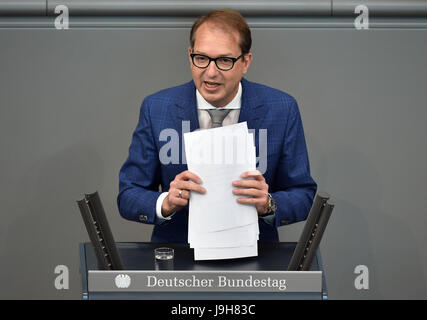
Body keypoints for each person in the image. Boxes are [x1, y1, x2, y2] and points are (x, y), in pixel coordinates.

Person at [118, 9, 317, 242]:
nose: (210, 73)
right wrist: (166, 202)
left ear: (245, 62)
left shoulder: (281, 109)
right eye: (201, 58)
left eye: (224, 60)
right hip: (177, 258)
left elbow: (303, 195)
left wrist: (268, 204)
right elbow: (128, 194)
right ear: (190, 54)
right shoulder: (157, 108)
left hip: (257, 259)